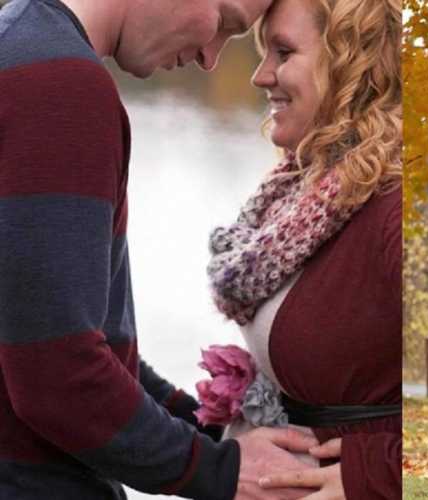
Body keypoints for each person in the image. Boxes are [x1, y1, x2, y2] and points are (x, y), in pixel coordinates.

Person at [0, 0, 318, 498]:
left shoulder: (19, 47)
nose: (211, 59)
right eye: (224, 24)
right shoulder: (59, 85)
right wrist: (224, 470)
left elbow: (61, 333)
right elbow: (57, 376)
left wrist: (206, 428)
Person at [201, 0, 402, 498]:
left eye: (283, 52)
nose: (260, 76)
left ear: (352, 61)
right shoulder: (305, 192)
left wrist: (377, 475)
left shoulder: (394, 206)